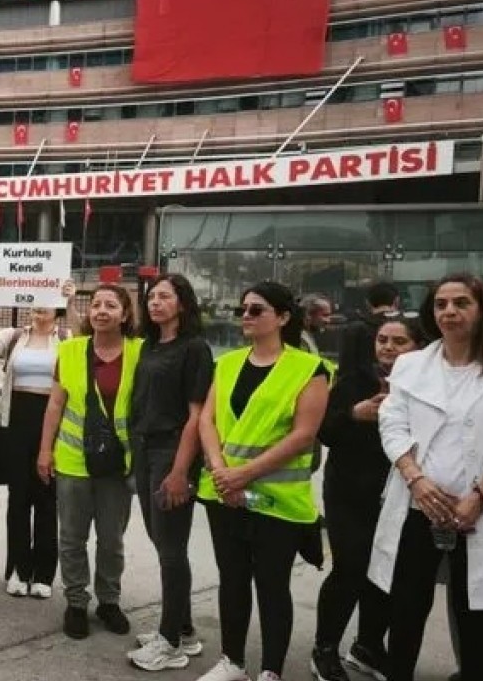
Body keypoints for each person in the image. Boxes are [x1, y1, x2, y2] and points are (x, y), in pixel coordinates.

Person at [368, 274, 483, 681]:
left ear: (481, 309)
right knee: (407, 609)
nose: (449, 311)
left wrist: (479, 498)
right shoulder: (411, 365)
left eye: (461, 302)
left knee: (474, 615)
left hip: (481, 510)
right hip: (417, 504)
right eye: (441, 304)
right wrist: (416, 480)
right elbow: (392, 424)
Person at [195, 281, 330, 681]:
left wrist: (243, 475)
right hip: (225, 494)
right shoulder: (229, 362)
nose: (247, 317)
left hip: (277, 500)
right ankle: (232, 661)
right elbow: (207, 418)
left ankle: (271, 670)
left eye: (257, 310)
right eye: (243, 310)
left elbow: (303, 434)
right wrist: (222, 471)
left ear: (283, 317)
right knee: (232, 580)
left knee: (272, 586)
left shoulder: (309, 369)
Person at [310, 316, 425, 681]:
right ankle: (324, 649)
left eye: (399, 341)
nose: (388, 347)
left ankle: (368, 647)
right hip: (348, 490)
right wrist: (353, 415)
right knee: (350, 569)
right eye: (383, 340)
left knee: (385, 572)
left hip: (397, 492)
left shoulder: (424, 385)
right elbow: (323, 431)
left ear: (417, 348)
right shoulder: (352, 382)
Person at [38, 283, 143, 639]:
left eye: (110, 305)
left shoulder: (140, 352)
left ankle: (109, 601)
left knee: (112, 539)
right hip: (72, 461)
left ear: (125, 314)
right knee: (72, 538)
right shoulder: (69, 351)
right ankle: (76, 603)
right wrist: (44, 449)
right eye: (95, 304)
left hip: (118, 465)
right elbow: (55, 404)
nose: (101, 310)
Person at [126, 274, 214, 671]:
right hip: (145, 449)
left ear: (183, 304)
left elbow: (197, 416)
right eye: (152, 297)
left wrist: (180, 470)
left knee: (171, 549)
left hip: (171, 451)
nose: (155, 302)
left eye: (165, 296)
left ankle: (169, 643)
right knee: (163, 542)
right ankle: (184, 630)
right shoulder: (149, 345)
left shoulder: (194, 348)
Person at [0, 278, 77, 601]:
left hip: (51, 422)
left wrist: (72, 303)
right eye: (35, 301)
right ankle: (18, 569)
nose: (39, 306)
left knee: (47, 498)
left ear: (56, 308)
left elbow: (85, 342)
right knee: (18, 499)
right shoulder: (15, 335)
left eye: (47, 301)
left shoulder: (66, 337)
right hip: (14, 424)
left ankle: (44, 574)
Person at [339, 282, 400, 376]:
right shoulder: (407, 327)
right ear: (396, 301)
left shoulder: (354, 329)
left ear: (367, 303)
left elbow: (346, 368)